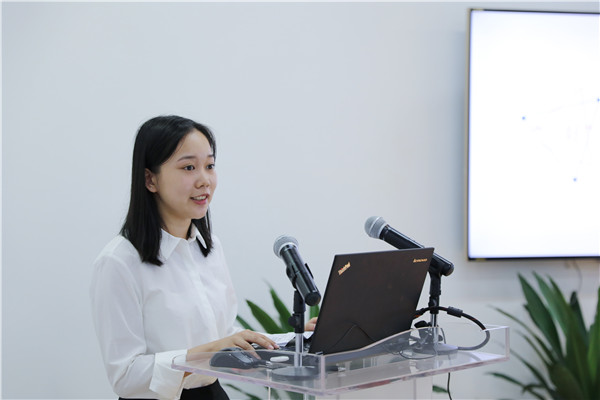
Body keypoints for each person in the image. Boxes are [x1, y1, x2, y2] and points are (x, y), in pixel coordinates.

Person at [90, 115, 312, 400]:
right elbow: (125, 377)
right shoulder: (118, 262)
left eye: (209, 166)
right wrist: (206, 353)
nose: (204, 180)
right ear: (150, 179)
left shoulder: (210, 248)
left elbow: (225, 335)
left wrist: (296, 339)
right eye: (189, 167)